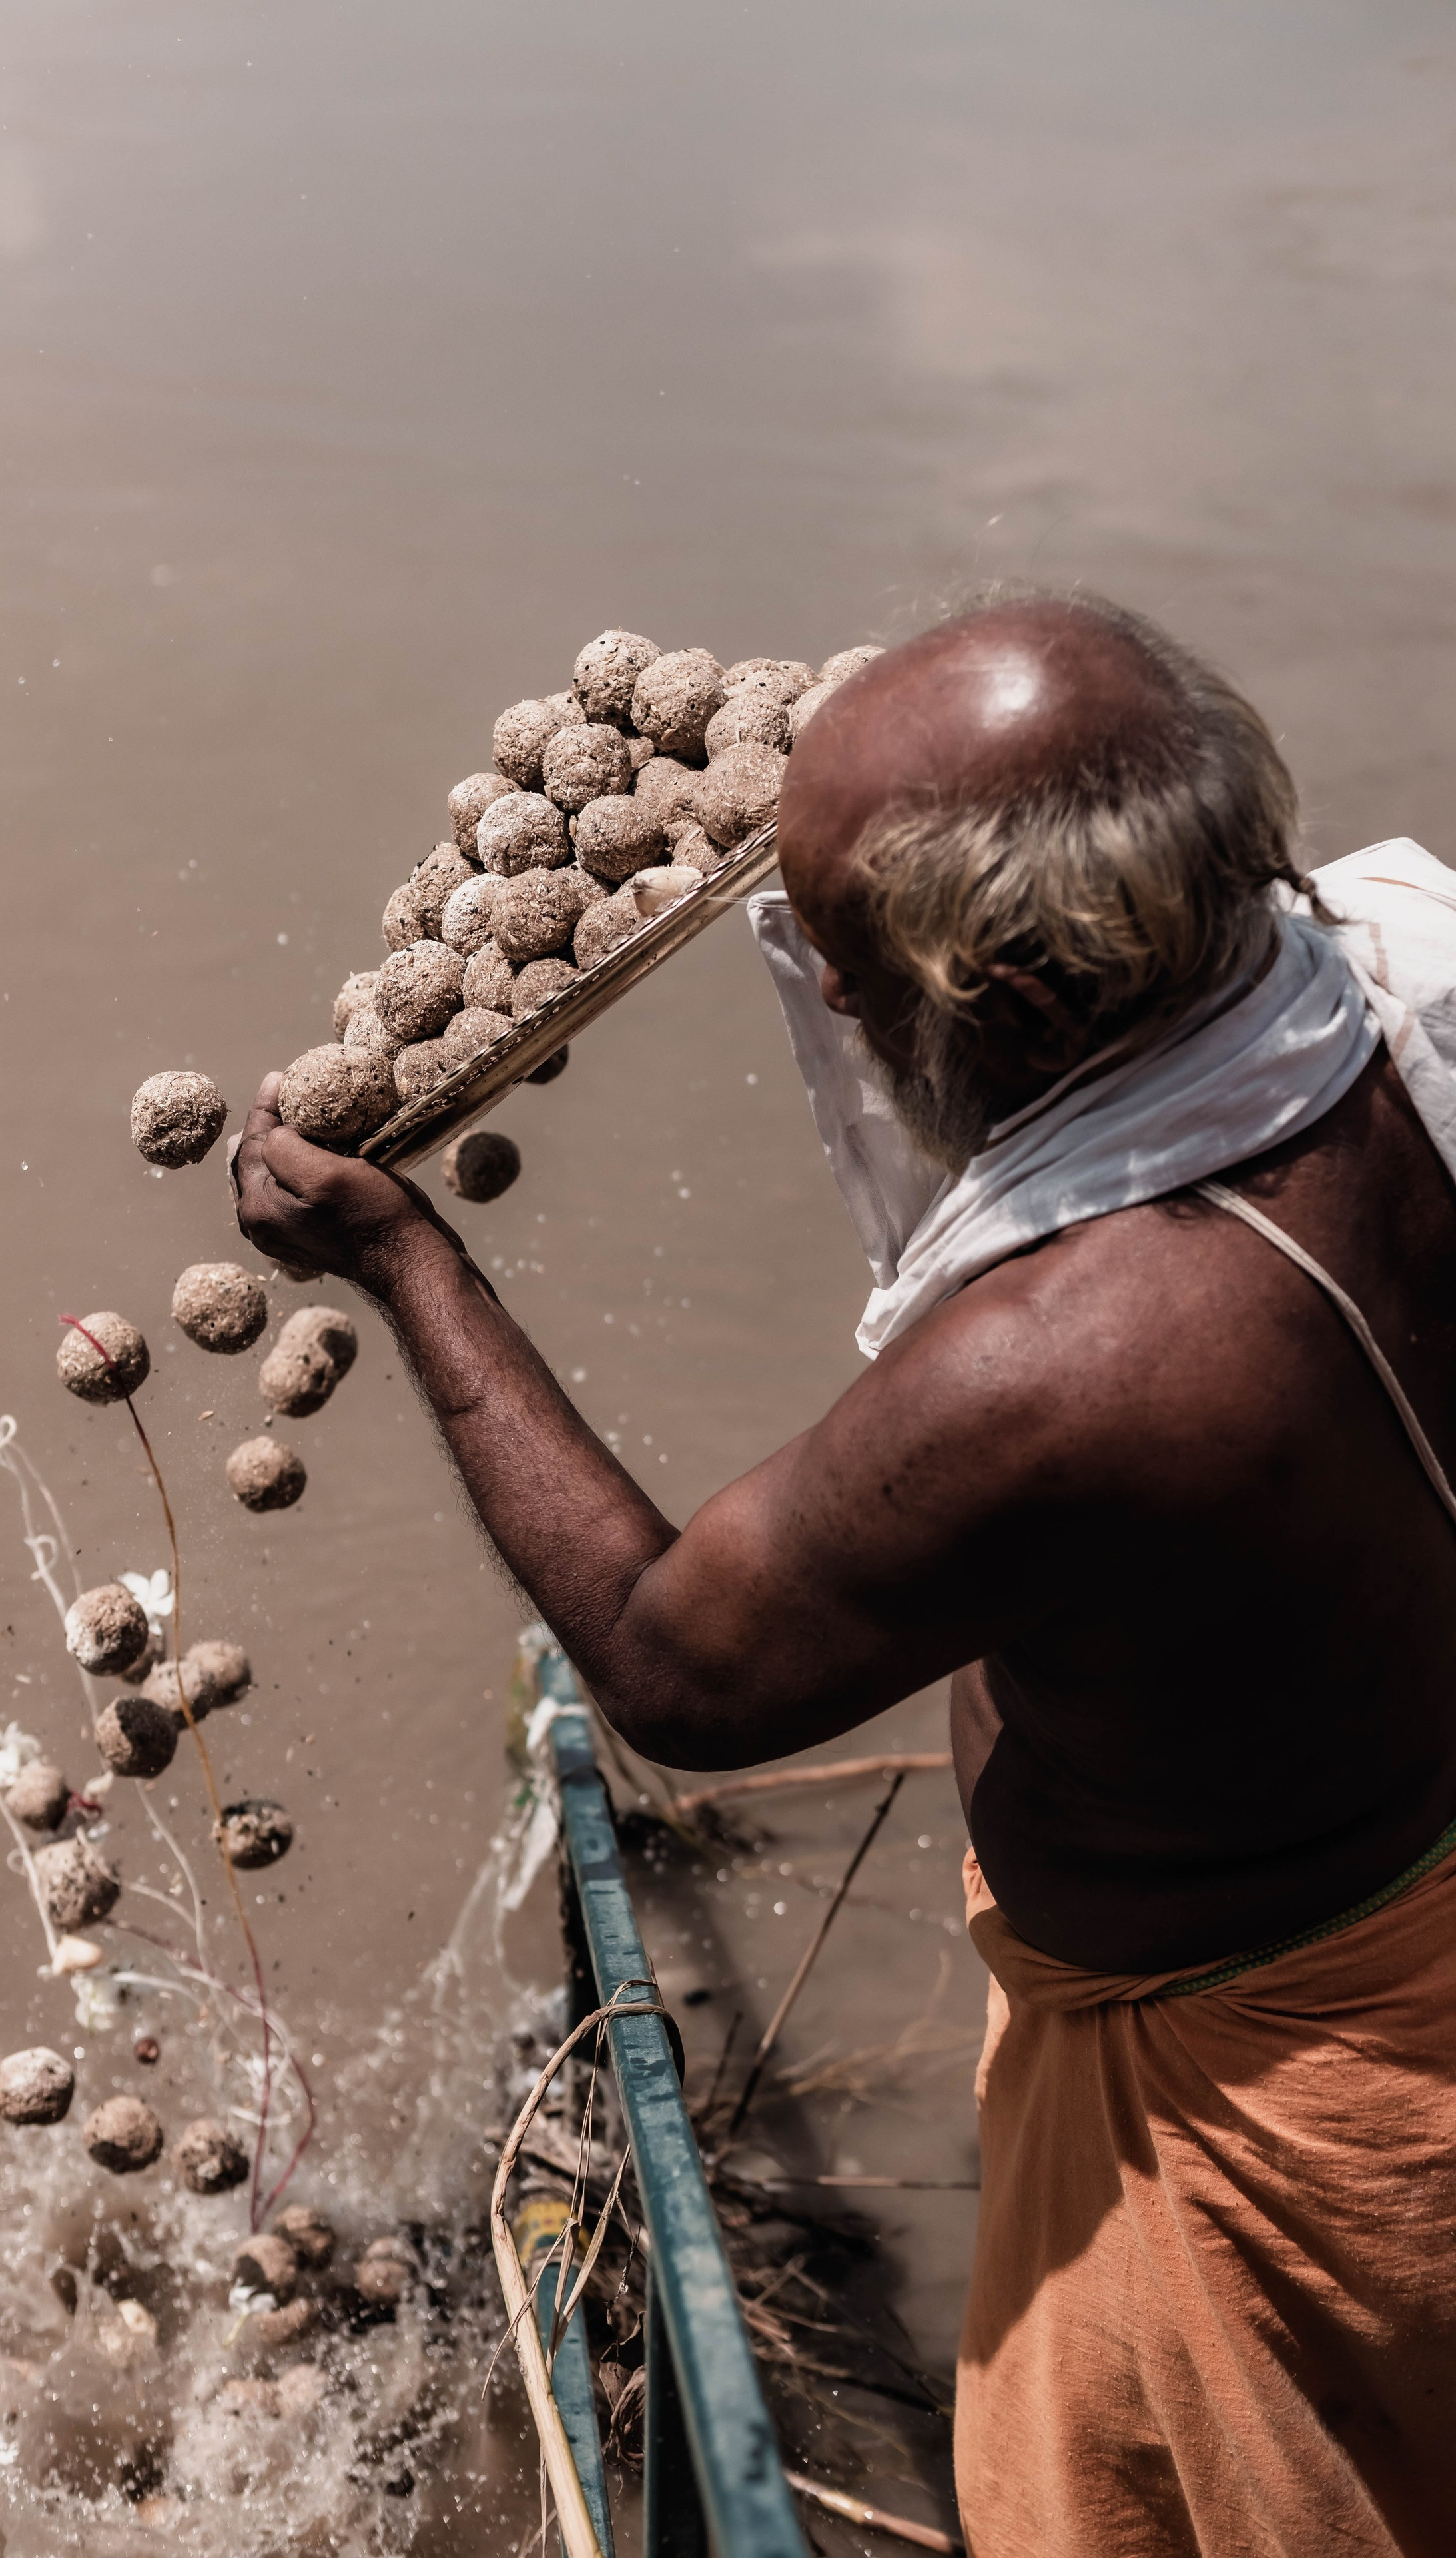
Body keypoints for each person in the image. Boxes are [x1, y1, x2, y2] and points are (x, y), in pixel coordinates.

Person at [233, 594, 1456, 2557]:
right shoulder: (1399, 976)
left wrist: (407, 1264)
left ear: (1029, 1001)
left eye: (851, 973)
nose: (841, 1013)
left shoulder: (1084, 1362)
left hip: (1272, 2093)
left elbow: (680, 1668)